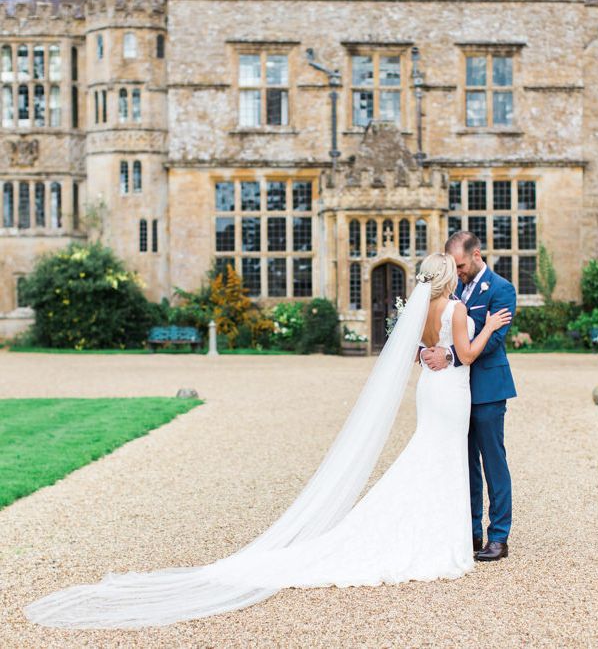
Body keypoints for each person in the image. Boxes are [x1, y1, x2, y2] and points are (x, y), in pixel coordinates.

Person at [24, 252, 511, 629]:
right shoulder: (459, 307)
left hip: (432, 392)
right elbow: (464, 354)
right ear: (450, 277)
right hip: (451, 392)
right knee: (440, 461)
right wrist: (487, 326)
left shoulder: (421, 309)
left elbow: (425, 351)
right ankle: (441, 541)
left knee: (428, 460)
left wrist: (436, 352)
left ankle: (441, 536)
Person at [421, 231, 517, 562]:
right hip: (455, 392)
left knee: (493, 462)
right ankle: (472, 531)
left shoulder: (502, 289)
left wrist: (449, 356)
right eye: (454, 267)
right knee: (466, 465)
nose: (458, 271)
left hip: (488, 390)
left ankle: (499, 536)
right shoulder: (454, 288)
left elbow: (494, 340)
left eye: (460, 265)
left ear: (476, 255)